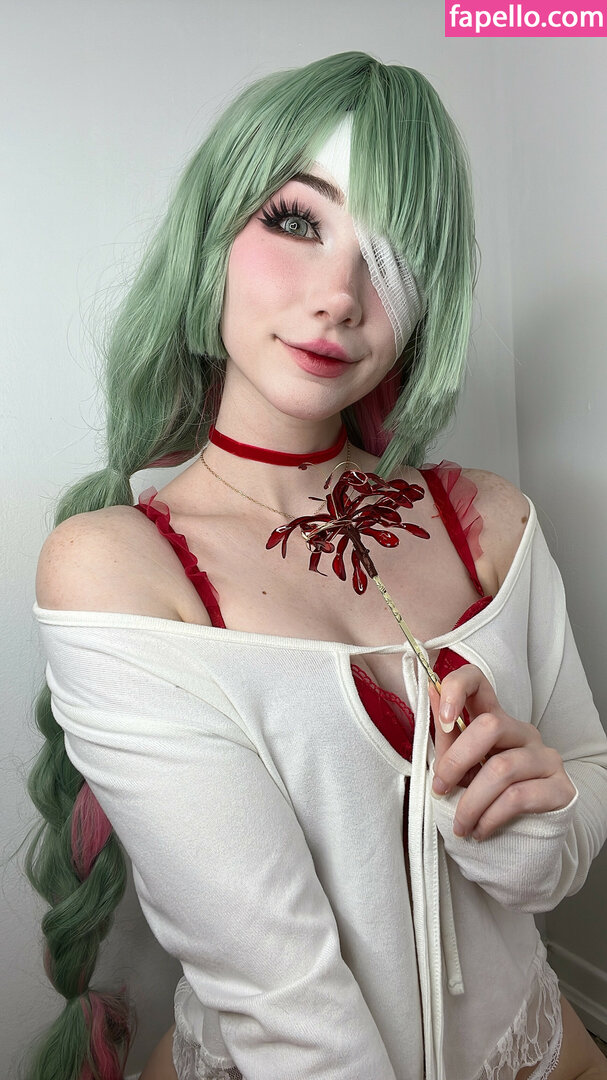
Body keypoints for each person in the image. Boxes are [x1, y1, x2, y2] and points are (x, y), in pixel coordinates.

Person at [26, 51, 607, 1080]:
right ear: (212, 235)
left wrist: (527, 819)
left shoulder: (492, 522)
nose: (340, 295)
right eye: (297, 220)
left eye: (392, 253)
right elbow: (288, 1009)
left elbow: (576, 808)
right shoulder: (118, 571)